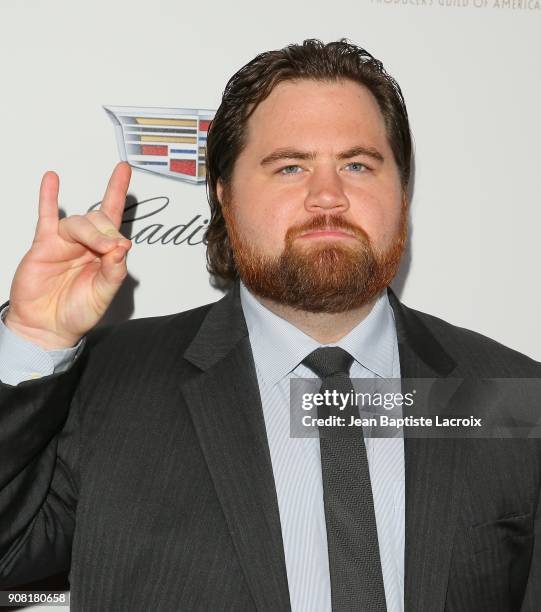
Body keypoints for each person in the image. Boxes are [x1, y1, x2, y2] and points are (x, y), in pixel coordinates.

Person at [0, 39, 539, 612]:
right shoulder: (101, 387)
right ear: (223, 197)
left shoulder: (511, 396)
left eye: (357, 165)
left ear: (403, 194)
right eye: (290, 166)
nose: (327, 197)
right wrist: (34, 340)